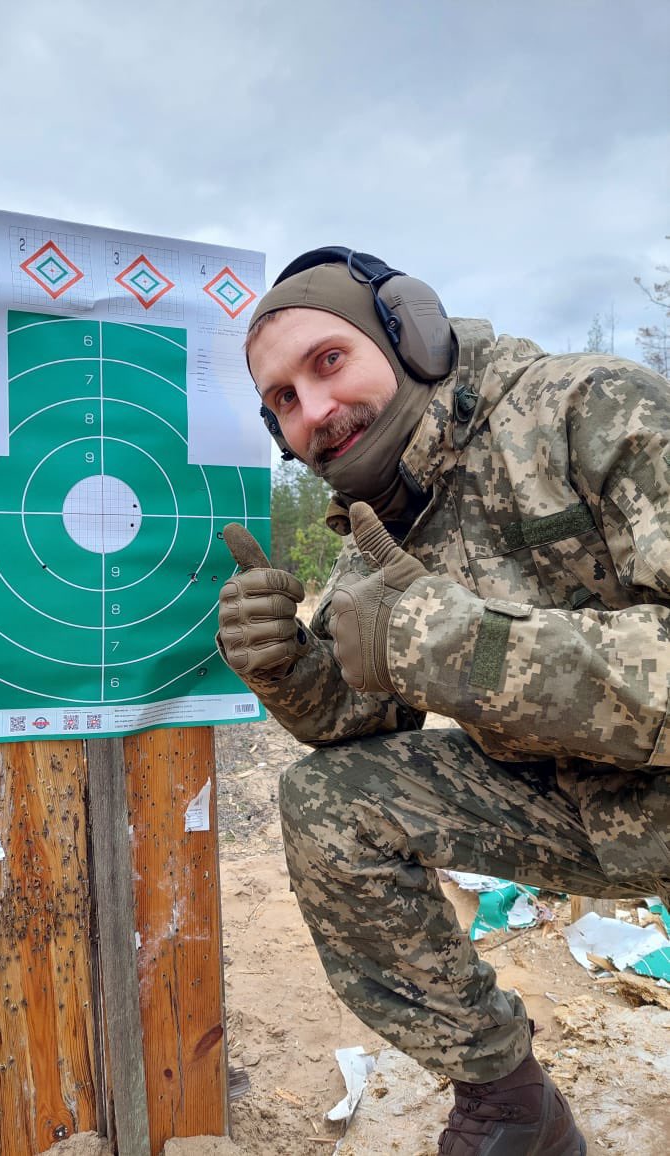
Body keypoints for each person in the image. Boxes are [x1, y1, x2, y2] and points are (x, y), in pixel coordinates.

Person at [216, 247, 670, 1156]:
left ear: (411, 334)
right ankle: (509, 1104)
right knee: (329, 804)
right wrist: (284, 667)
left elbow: (440, 648)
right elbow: (356, 725)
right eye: (281, 401)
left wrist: (449, 642)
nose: (313, 412)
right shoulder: (376, 532)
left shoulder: (590, 407)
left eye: (327, 361)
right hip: (574, 808)